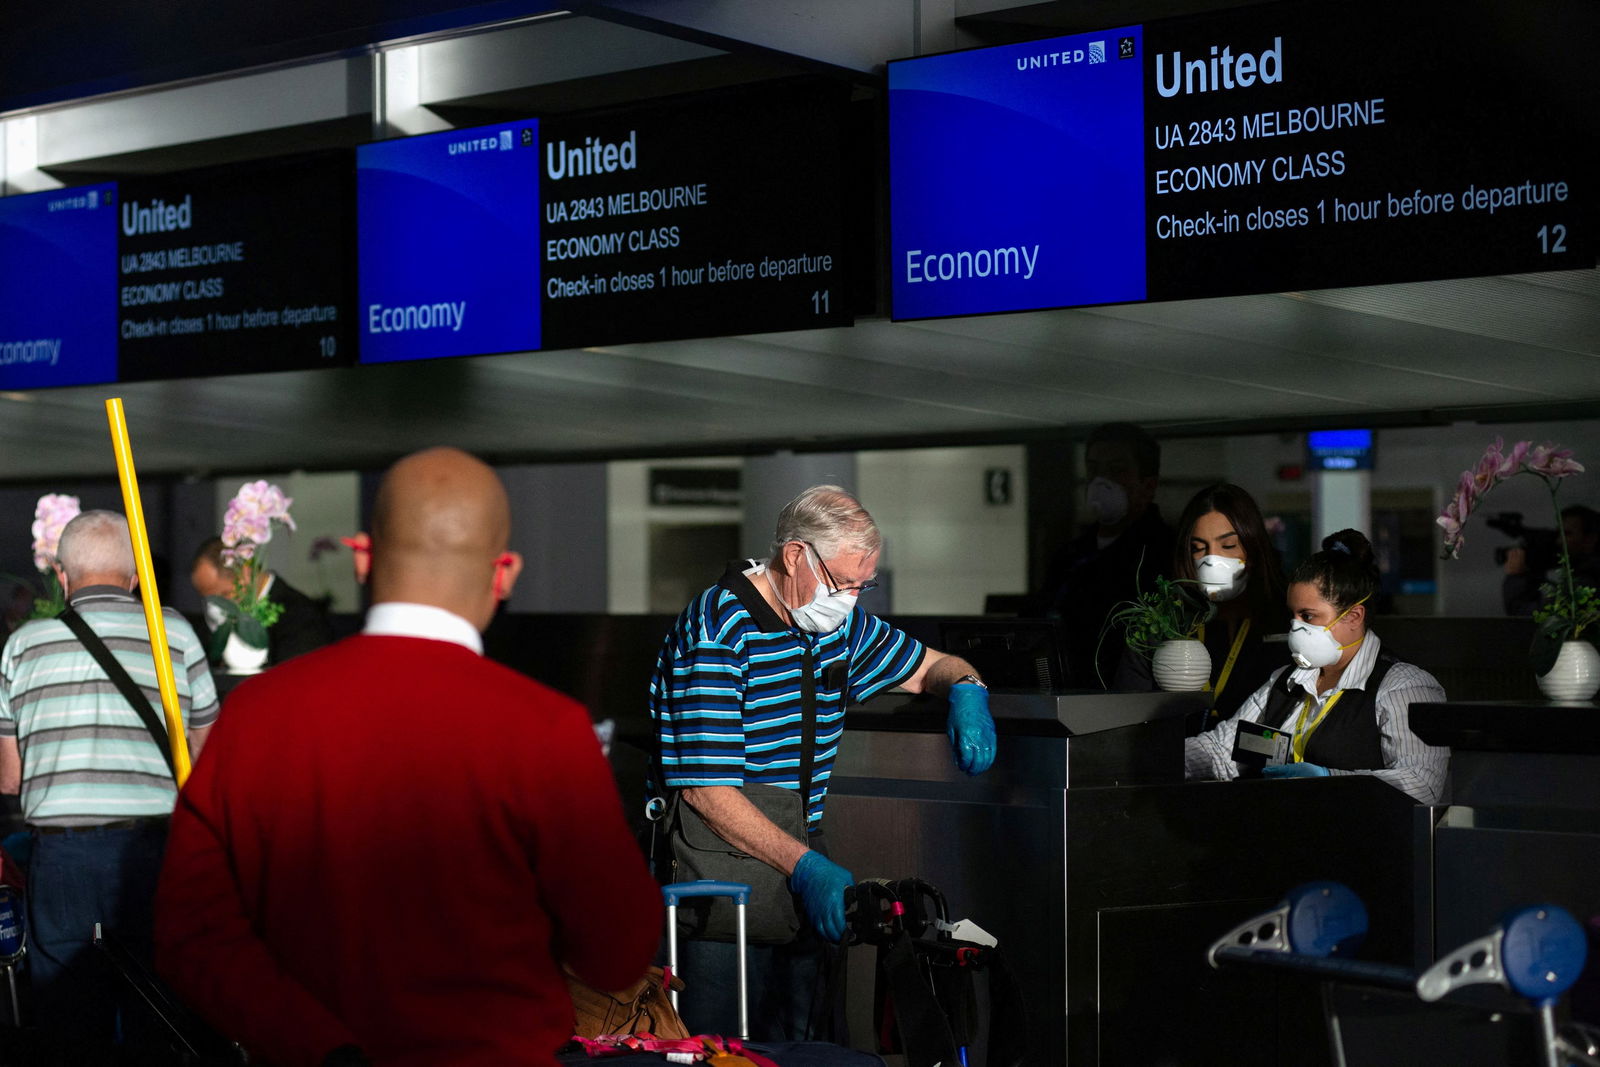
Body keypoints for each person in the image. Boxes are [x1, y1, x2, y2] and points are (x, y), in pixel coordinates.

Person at [155, 447, 661, 1066]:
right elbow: (615, 950)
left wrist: (318, 1043)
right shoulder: (546, 729)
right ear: (505, 572)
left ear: (362, 558)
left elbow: (192, 934)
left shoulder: (256, 715)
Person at [650, 484, 996, 1041]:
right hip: (718, 876)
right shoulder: (719, 630)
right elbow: (704, 790)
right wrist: (807, 867)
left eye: (865, 584)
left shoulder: (836, 626)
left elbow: (930, 666)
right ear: (794, 556)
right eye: (844, 582)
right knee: (719, 1044)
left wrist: (967, 688)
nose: (852, 599)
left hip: (799, 853)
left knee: (801, 1040)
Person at [0, 510, 218, 1043]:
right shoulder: (177, 635)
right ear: (137, 576)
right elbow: (207, 757)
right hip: (155, 853)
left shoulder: (22, 648)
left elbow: (10, 779)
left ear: (62, 577)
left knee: (70, 1023)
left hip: (61, 858)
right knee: (159, 1014)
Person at [1185, 529, 1449, 805]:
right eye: (1294, 616)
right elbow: (1221, 750)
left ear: (1354, 616)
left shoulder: (1404, 687)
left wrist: (1328, 779)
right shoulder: (1285, 682)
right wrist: (1151, 756)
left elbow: (1421, 784)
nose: (1296, 627)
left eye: (1308, 616)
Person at [1117, 483, 1289, 733]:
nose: (1212, 559)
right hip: (1172, 762)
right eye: (1199, 548)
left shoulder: (1287, 622)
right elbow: (1127, 711)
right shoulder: (1163, 623)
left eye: (1228, 546)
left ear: (1253, 549)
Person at [1036, 422, 1176, 688]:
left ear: (1148, 485)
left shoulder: (1163, 553)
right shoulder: (1071, 556)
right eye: (1093, 469)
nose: (1101, 480)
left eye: (1116, 470)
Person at [191, 535, 334, 665]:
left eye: (224, 595)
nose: (216, 607)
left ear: (245, 574)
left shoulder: (298, 616)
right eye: (208, 600)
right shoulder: (212, 626)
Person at [1503, 504, 1600, 616]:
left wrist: (1516, 576)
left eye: (1567, 534)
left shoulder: (1586, 584)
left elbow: (1531, 619)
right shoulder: (1587, 577)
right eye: (1559, 534)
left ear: (1590, 540)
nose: (1559, 541)